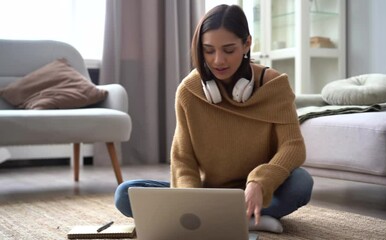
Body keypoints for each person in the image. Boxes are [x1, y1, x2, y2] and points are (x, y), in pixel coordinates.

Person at [114, 4, 313, 233]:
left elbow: (293, 146)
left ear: (247, 43)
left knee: (301, 183)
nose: (218, 60)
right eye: (209, 50)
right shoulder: (189, 91)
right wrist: (192, 199)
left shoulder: (274, 86)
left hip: (260, 190)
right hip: (207, 192)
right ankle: (244, 218)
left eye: (228, 50)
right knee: (125, 194)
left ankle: (220, 218)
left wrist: (259, 181)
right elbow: (183, 159)